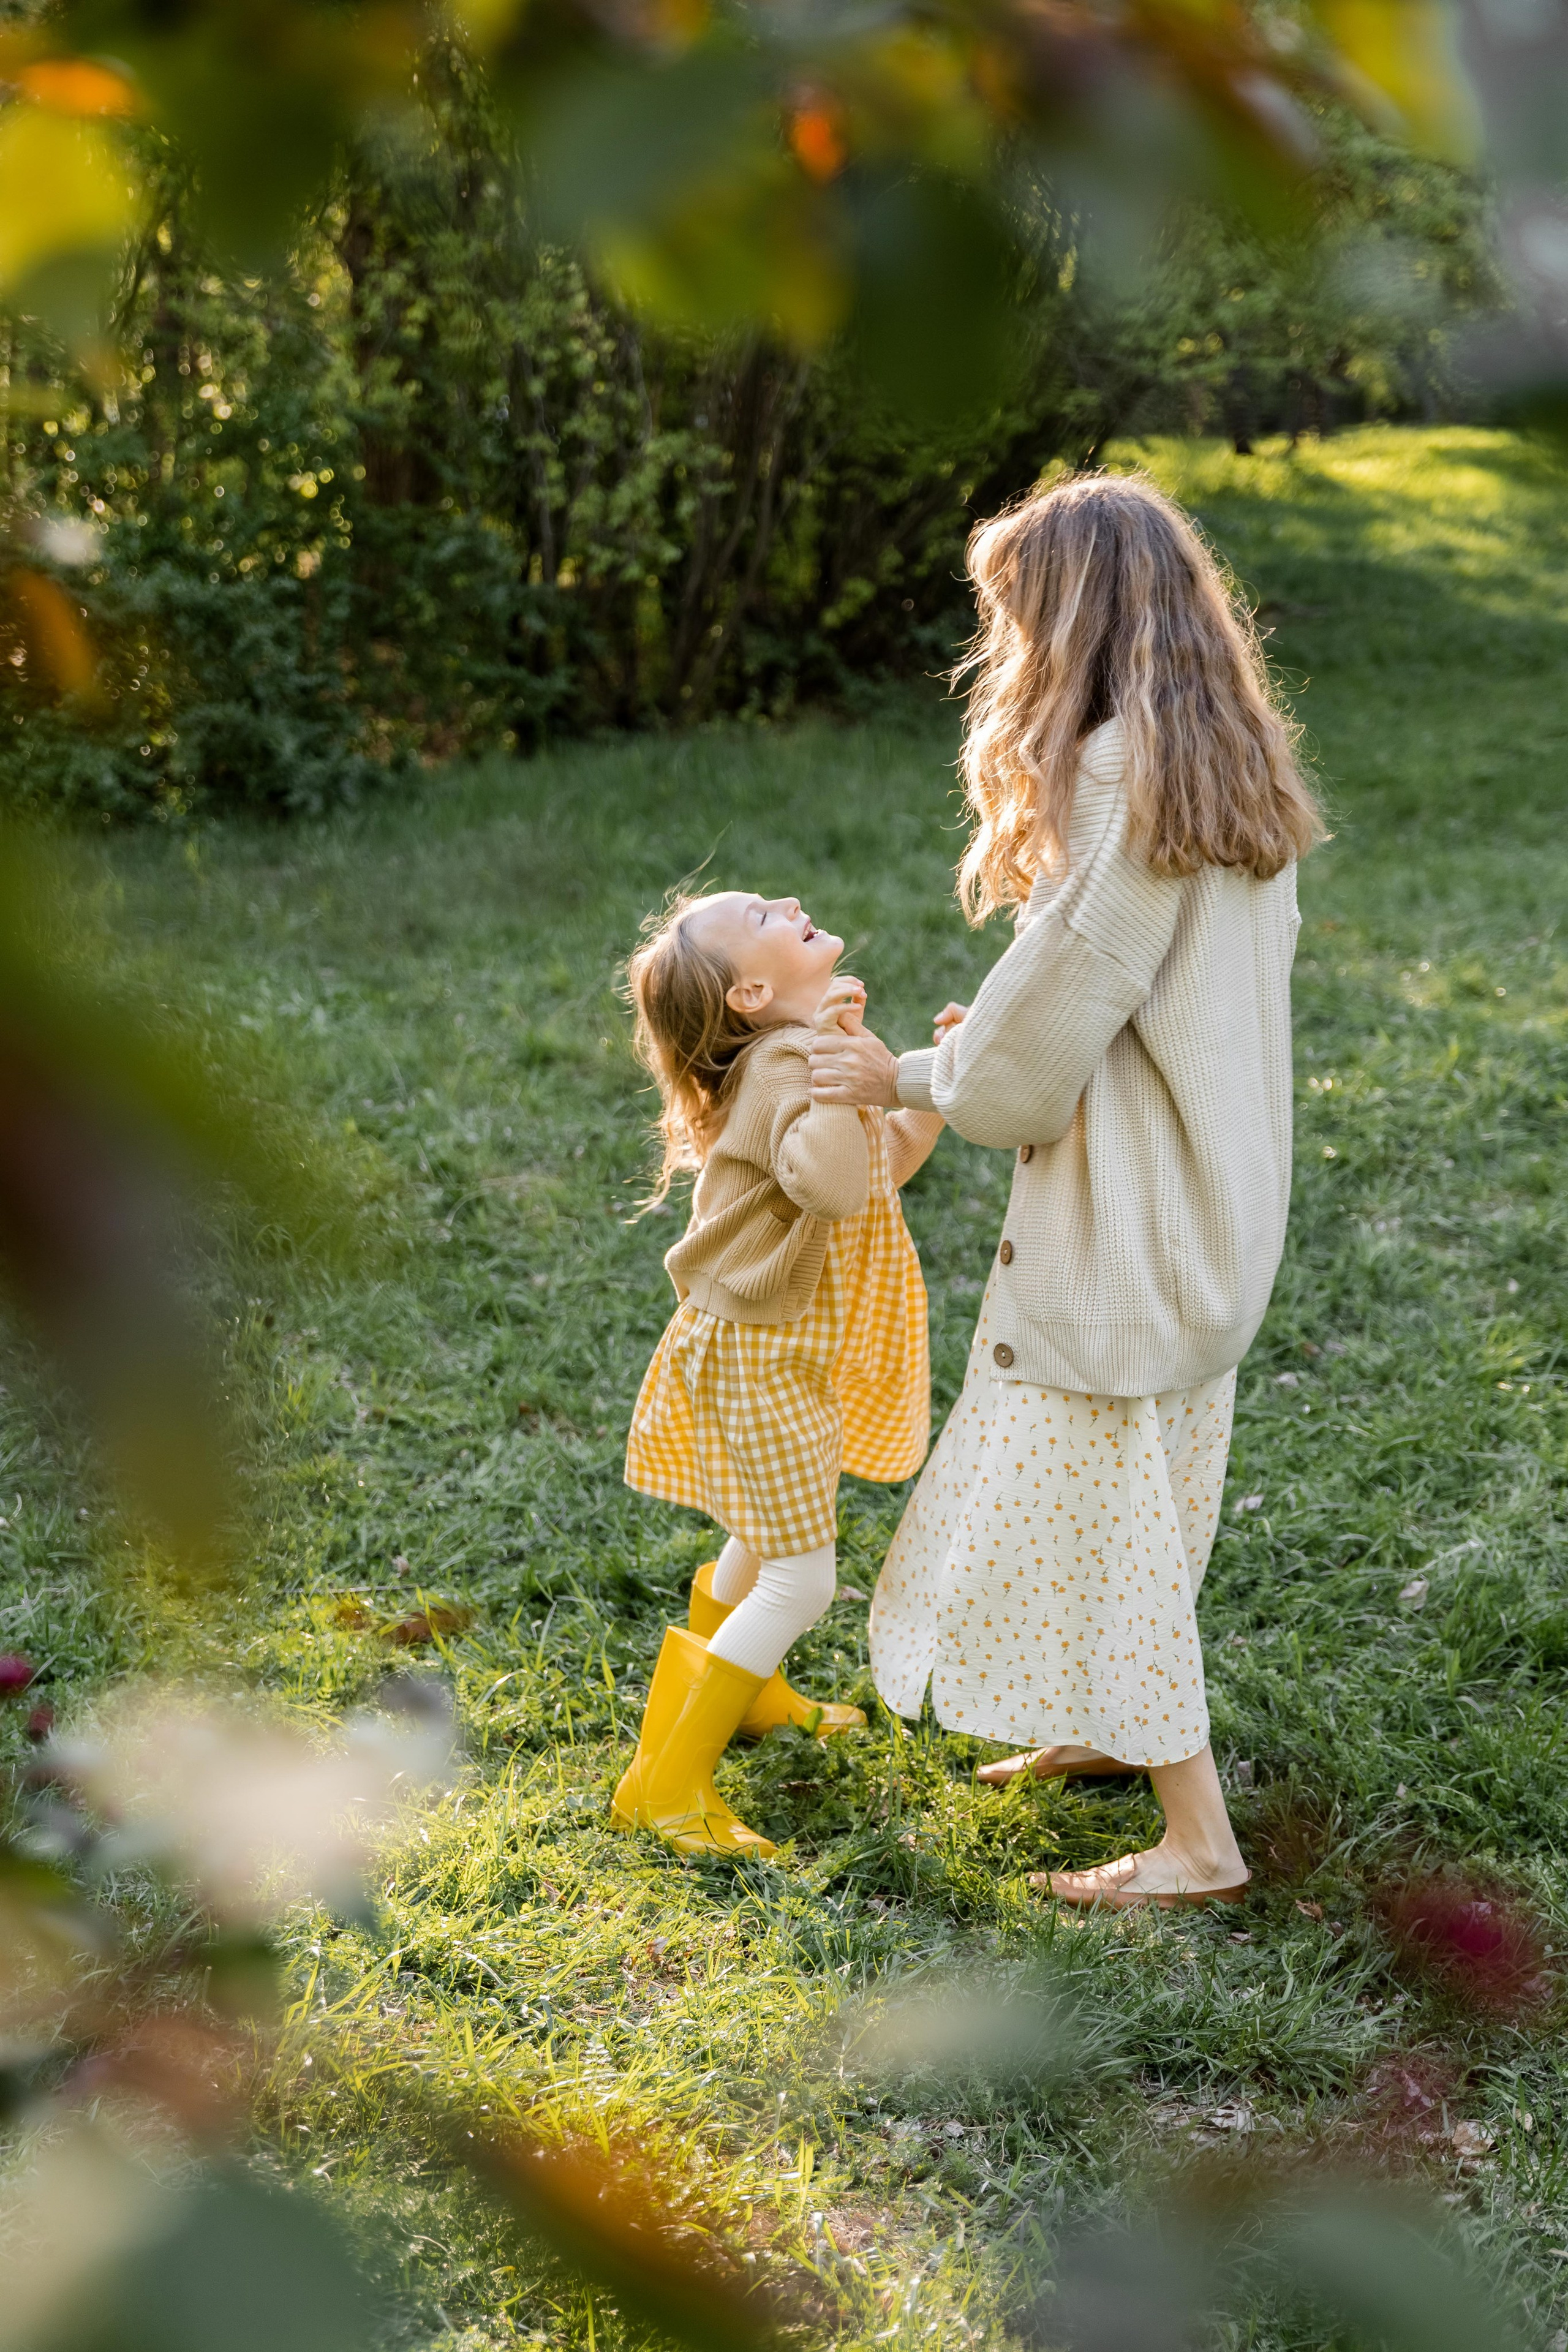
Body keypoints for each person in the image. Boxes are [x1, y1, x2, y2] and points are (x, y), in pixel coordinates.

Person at [808, 470, 1324, 1909]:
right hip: (1212, 1205)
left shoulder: (1112, 774)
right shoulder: (1229, 773)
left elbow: (1057, 1004)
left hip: (1127, 1226)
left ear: (1071, 620)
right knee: (1148, 1482)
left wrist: (913, 1077)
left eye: (1014, 613)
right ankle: (1102, 1728)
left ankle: (1196, 1841)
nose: (1004, 645)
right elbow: (1132, 998)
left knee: (1105, 1524)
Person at [614, 888, 944, 1858]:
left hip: (773, 1346)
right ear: (754, 993)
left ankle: (752, 1699)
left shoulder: (799, 1055)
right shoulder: (784, 1068)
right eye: (762, 913)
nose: (790, 901)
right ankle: (664, 1784)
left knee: (767, 1537)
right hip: (761, 1354)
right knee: (801, 1578)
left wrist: (908, 1093)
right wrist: (849, 1075)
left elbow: (870, 1172)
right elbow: (836, 1181)